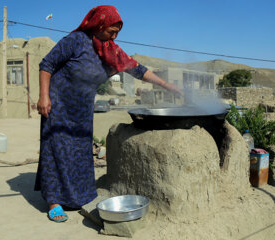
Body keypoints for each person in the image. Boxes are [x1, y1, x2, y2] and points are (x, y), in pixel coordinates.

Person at [35, 5, 182, 222]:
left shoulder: (110, 51)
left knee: (78, 153)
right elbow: (47, 64)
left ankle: (76, 197)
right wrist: (43, 96)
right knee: (57, 151)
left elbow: (138, 69)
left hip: (82, 109)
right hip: (58, 106)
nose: (113, 37)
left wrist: (166, 84)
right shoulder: (75, 41)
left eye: (116, 33)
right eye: (110, 32)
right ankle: (54, 202)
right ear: (98, 25)